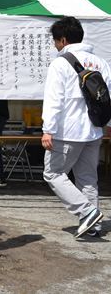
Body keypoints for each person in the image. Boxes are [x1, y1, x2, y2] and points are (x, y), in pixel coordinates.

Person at [42, 16, 109, 238]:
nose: (54, 45)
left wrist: (48, 130)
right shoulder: (101, 63)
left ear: (62, 40)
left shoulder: (60, 63)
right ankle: (94, 226)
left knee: (53, 173)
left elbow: (54, 100)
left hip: (67, 132)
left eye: (55, 41)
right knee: (88, 178)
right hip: (94, 131)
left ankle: (87, 212)